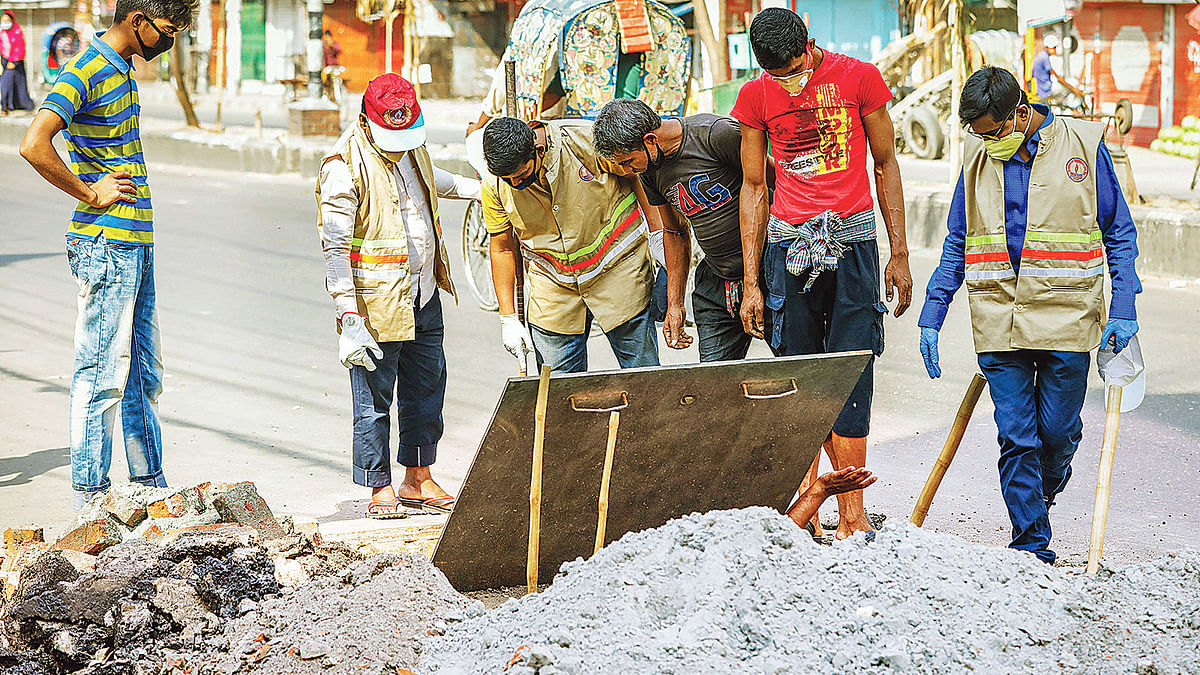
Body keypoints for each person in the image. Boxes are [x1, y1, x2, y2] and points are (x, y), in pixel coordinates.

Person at [917, 66, 1140, 565]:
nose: (985, 143)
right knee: (1016, 436)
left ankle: (1042, 495)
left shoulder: (1082, 147)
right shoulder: (976, 162)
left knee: (1057, 436)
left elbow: (1119, 234)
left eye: (991, 132)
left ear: (1020, 112)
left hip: (1067, 316)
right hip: (998, 319)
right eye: (976, 134)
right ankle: (1030, 545)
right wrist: (934, 310)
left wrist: (1123, 306)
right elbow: (958, 241)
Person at [732, 8, 913, 540]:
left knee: (852, 371)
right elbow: (753, 187)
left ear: (809, 45)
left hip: (852, 240)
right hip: (788, 245)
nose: (787, 82)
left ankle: (851, 515)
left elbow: (885, 165)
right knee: (799, 375)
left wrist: (898, 254)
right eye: (777, 75)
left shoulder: (859, 78)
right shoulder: (756, 97)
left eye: (793, 69)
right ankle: (804, 509)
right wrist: (751, 281)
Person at [19, 0, 195, 511]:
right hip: (106, 242)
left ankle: (148, 491)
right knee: (101, 373)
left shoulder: (121, 69)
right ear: (138, 21)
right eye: (166, 30)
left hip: (136, 241)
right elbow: (35, 144)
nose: (169, 42)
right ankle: (91, 504)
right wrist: (89, 191)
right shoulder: (87, 68)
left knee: (144, 371)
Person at [316, 73, 481, 518]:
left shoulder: (411, 148)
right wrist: (347, 317)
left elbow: (433, 180)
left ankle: (418, 476)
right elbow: (334, 246)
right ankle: (379, 485)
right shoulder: (342, 165)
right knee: (373, 400)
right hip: (375, 304)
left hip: (423, 293)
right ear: (368, 122)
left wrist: (478, 191)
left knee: (427, 388)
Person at [481, 116, 659, 373]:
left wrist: (658, 237)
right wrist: (508, 318)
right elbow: (502, 248)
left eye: (520, 176)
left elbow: (638, 175)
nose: (515, 185)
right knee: (558, 395)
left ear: (538, 151)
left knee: (645, 383)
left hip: (618, 274)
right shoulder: (496, 182)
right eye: (508, 179)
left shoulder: (586, 141)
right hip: (554, 290)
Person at [593, 98, 752, 362]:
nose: (627, 170)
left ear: (650, 139)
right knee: (715, 382)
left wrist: (754, 281)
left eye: (629, 161)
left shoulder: (715, 134)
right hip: (716, 279)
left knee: (798, 367)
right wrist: (674, 305)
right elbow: (675, 232)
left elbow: (769, 185)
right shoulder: (649, 170)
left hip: (766, 269)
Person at [1031, 34, 1084, 106]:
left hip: (1040, 88)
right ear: (1047, 47)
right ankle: (1069, 105)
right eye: (1054, 48)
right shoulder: (1044, 58)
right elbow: (1058, 77)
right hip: (1046, 90)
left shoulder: (1040, 56)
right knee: (1073, 82)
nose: (1055, 50)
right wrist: (1074, 89)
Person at [1, 10, 35, 114]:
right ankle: (6, 105)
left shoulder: (17, 32)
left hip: (15, 63)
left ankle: (6, 106)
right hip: (4, 62)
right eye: (3, 21)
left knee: (10, 85)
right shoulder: (2, 33)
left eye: (7, 21)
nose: (5, 23)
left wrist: (14, 62)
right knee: (5, 84)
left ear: (12, 20)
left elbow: (20, 49)